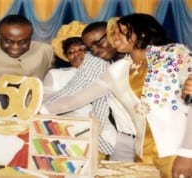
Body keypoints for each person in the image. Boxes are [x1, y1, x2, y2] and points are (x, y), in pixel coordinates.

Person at [41, 13, 192, 177]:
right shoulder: (117, 69)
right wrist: (38, 111)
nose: (114, 36)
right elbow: (75, 99)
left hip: (177, 150)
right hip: (142, 154)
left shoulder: (174, 53)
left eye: (121, 31)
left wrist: (187, 153)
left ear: (141, 33)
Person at [43, 21, 129, 161]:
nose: (95, 51)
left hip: (138, 132)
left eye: (83, 49)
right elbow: (75, 93)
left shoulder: (132, 61)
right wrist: (41, 110)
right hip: (105, 134)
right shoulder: (97, 61)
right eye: (91, 47)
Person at [0, 14, 54, 90]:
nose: (15, 47)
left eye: (23, 42)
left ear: (31, 36)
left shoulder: (46, 51)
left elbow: (51, 82)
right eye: (8, 41)